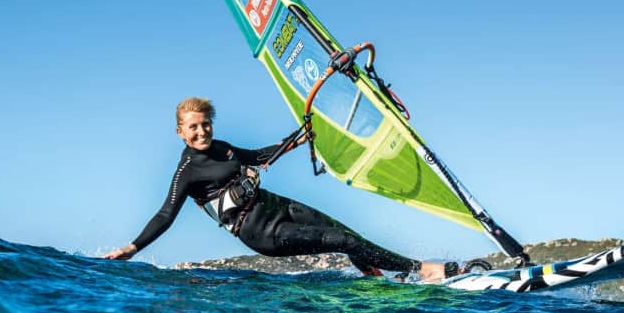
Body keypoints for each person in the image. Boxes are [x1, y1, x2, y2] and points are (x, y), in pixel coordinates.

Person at [102, 97, 460, 282]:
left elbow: (258, 156)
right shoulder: (187, 170)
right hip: (260, 232)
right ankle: (422, 269)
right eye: (193, 127)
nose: (201, 132)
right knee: (342, 242)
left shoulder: (222, 147)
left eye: (205, 124)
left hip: (274, 204)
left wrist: (295, 140)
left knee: (345, 233)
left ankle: (376, 278)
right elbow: (166, 213)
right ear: (180, 132)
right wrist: (132, 248)